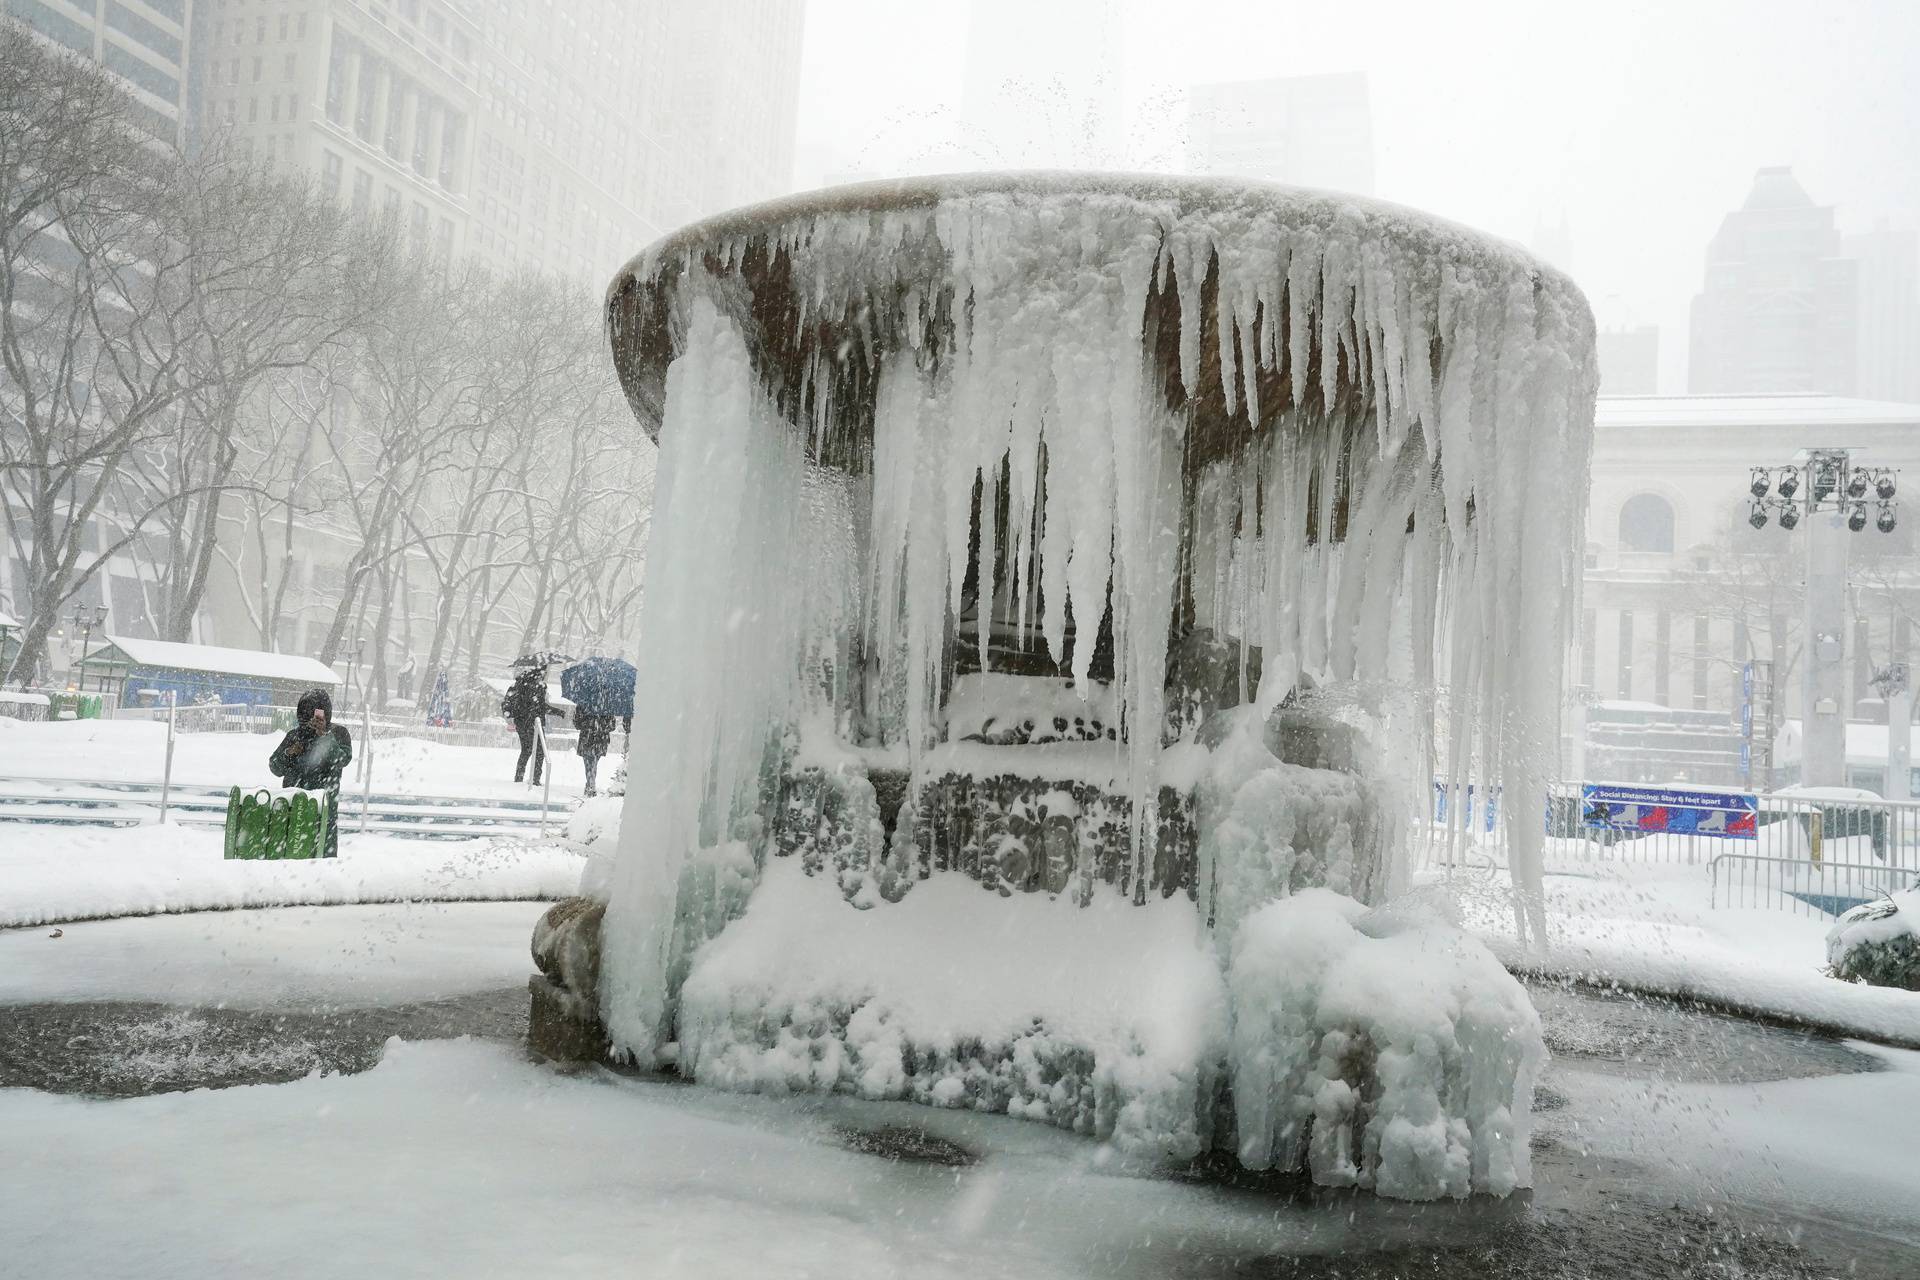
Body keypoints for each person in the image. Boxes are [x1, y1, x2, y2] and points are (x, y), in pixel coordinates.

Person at [267, 687, 353, 858]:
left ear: (325, 713)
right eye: (305, 712)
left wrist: (325, 737)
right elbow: (275, 767)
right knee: (290, 857)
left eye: (315, 712)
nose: (310, 717)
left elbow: (343, 760)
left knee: (322, 859)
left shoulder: (338, 733)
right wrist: (289, 753)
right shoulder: (294, 735)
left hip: (323, 807)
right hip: (292, 806)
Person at [503, 667, 559, 784]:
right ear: (540, 673)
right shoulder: (538, 686)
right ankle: (535, 779)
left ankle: (519, 777)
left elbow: (512, 703)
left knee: (526, 750)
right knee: (539, 752)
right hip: (534, 723)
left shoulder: (518, 684)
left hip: (521, 723)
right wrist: (557, 711)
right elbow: (540, 706)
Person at [574, 705, 616, 797]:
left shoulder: (605, 705)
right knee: (590, 763)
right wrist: (590, 724)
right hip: (589, 738)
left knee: (592, 763)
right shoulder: (583, 704)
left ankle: (590, 785)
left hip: (598, 739)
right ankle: (590, 785)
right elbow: (577, 723)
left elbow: (612, 726)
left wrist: (600, 725)